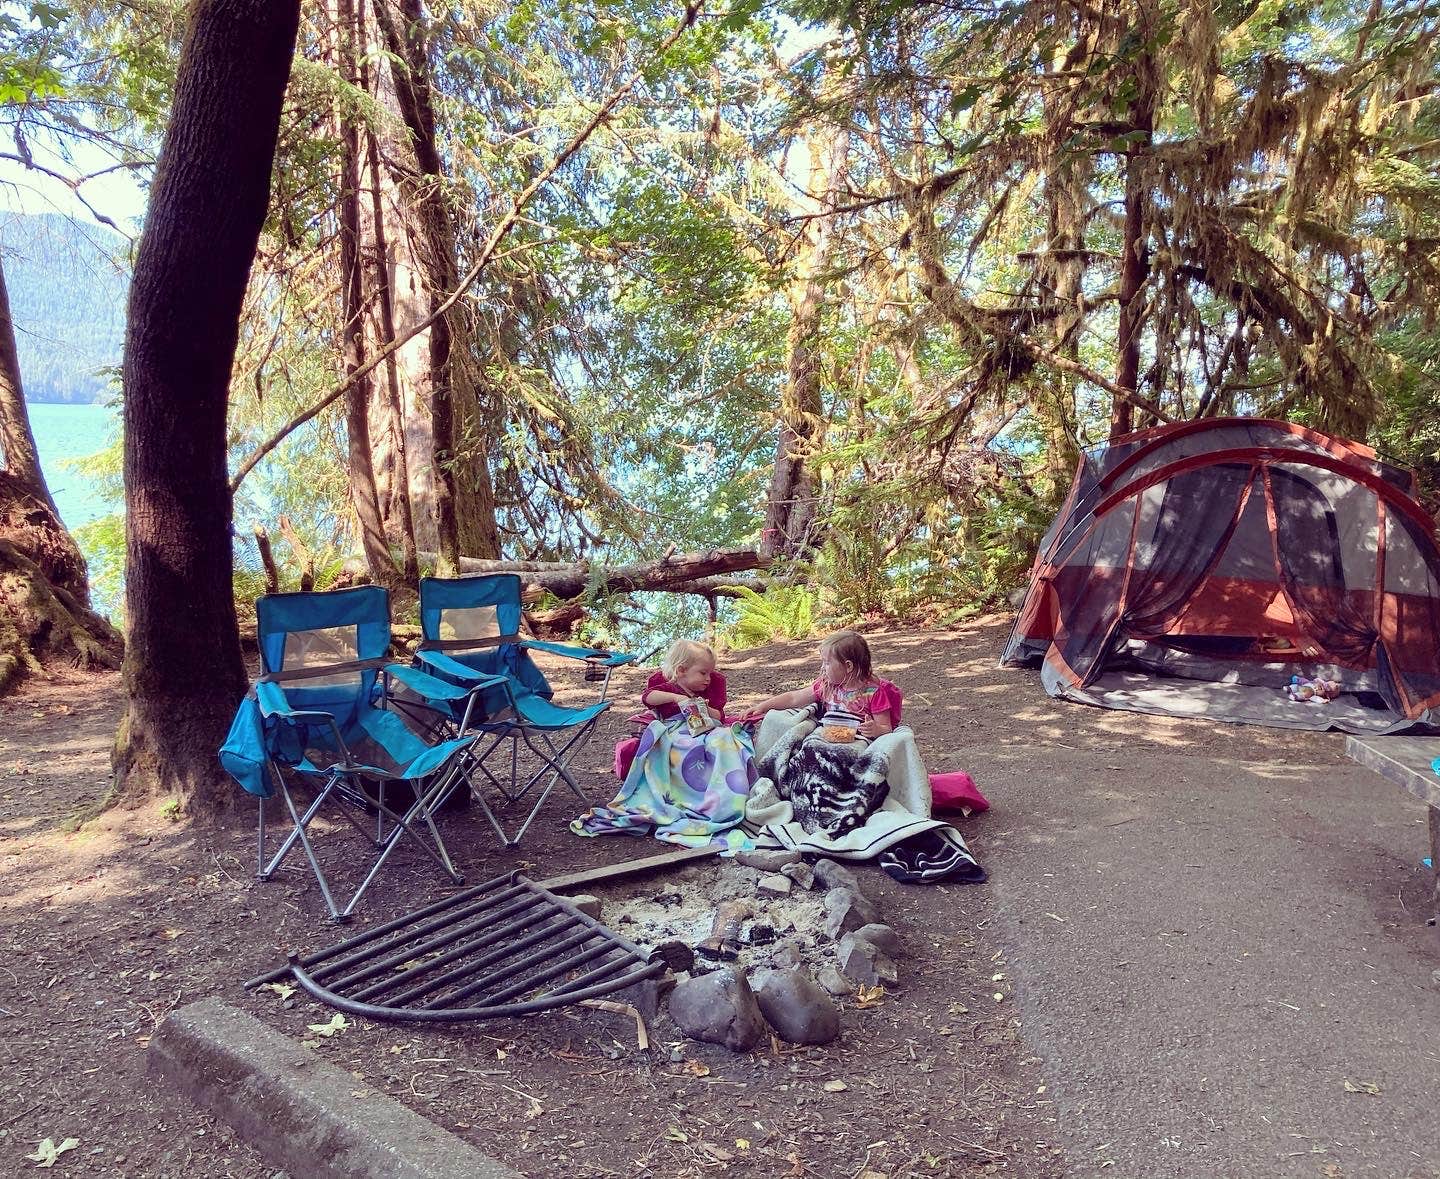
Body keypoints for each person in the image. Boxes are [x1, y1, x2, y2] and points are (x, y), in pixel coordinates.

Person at [571, 639, 756, 850]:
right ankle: (685, 799)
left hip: (707, 728)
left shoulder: (712, 686)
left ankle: (724, 801)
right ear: (681, 671)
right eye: (703, 673)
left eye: (710, 673)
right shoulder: (667, 685)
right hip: (676, 730)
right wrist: (678, 699)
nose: (708, 679)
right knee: (682, 747)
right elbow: (648, 697)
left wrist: (702, 706)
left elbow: (720, 716)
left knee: (724, 741)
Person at [746, 629, 901, 742]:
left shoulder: (873, 692)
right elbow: (794, 698)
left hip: (858, 742)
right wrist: (764, 706)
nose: (822, 667)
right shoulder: (827, 686)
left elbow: (886, 728)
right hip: (825, 737)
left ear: (848, 666)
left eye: (827, 663)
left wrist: (876, 730)